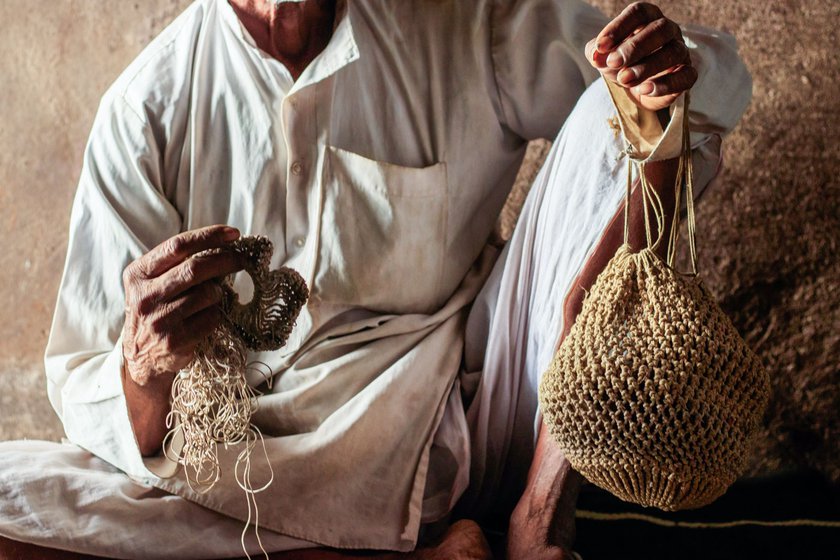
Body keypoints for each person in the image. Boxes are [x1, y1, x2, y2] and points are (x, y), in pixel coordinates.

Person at [0, 0, 750, 558]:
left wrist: (659, 70)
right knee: (16, 501)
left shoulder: (467, 23)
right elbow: (86, 386)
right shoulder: (146, 110)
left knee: (623, 115)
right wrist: (142, 366)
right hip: (260, 458)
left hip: (468, 409)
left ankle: (540, 515)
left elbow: (708, 80)